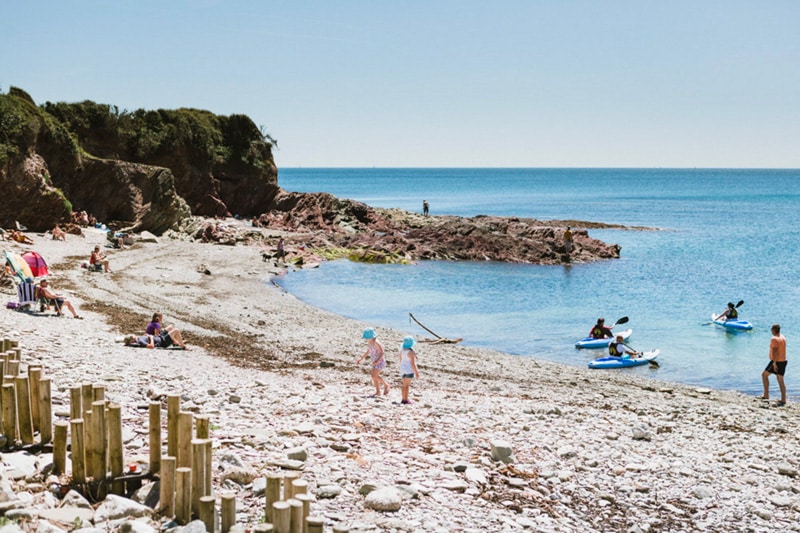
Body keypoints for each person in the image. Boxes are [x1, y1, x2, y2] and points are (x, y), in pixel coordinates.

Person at [356, 328, 389, 397]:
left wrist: (377, 360)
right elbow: (368, 351)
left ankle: (386, 385)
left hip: (379, 361)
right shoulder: (370, 343)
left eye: (367, 338)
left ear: (372, 337)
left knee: (374, 376)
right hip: (374, 361)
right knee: (374, 377)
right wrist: (361, 358)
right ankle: (378, 392)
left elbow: (382, 352)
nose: (366, 339)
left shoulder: (376, 342)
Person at [759, 324, 787, 406]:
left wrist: (774, 363)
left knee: (764, 375)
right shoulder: (783, 337)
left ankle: (766, 395)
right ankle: (783, 399)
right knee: (781, 380)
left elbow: (775, 351)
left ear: (773, 330)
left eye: (771, 329)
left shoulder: (774, 339)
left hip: (776, 361)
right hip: (784, 360)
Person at [398, 336, 420, 405]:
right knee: (407, 386)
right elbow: (413, 364)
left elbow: (401, 360)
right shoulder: (410, 352)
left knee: (404, 385)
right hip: (409, 370)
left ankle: (403, 399)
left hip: (403, 370)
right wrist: (416, 372)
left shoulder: (402, 351)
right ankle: (406, 399)